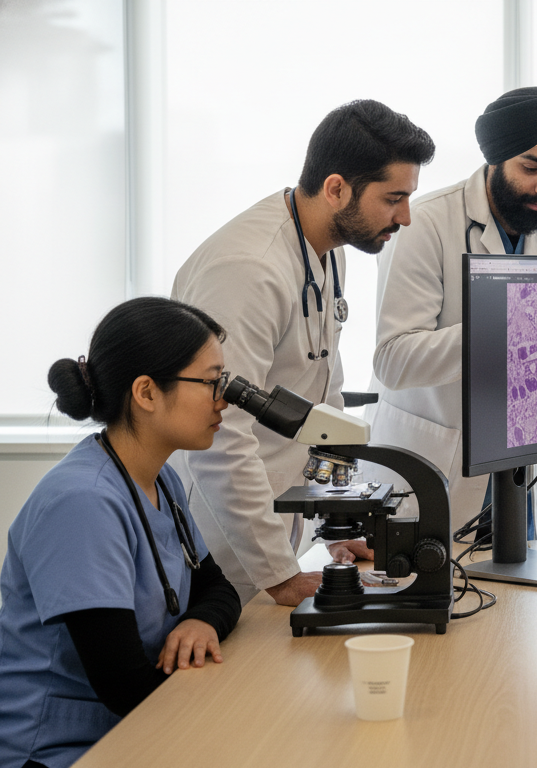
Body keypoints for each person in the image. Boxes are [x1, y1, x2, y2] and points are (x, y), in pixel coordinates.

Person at [171, 100, 435, 605]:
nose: (405, 217)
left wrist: (335, 526)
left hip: (279, 518)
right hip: (224, 539)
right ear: (336, 188)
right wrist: (278, 572)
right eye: (394, 198)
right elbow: (222, 436)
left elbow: (322, 397)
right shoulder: (249, 270)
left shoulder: (327, 247)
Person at [0, 298, 242, 768]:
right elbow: (122, 684)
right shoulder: (82, 502)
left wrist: (202, 620)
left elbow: (217, 587)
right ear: (147, 393)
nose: (225, 398)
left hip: (132, 725)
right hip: (57, 750)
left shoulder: (160, 479)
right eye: (212, 382)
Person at [368, 86, 537, 535]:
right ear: (495, 159)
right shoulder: (424, 223)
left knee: (516, 596)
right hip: (434, 462)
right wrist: (506, 327)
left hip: (518, 466)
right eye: (532, 168)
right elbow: (393, 360)